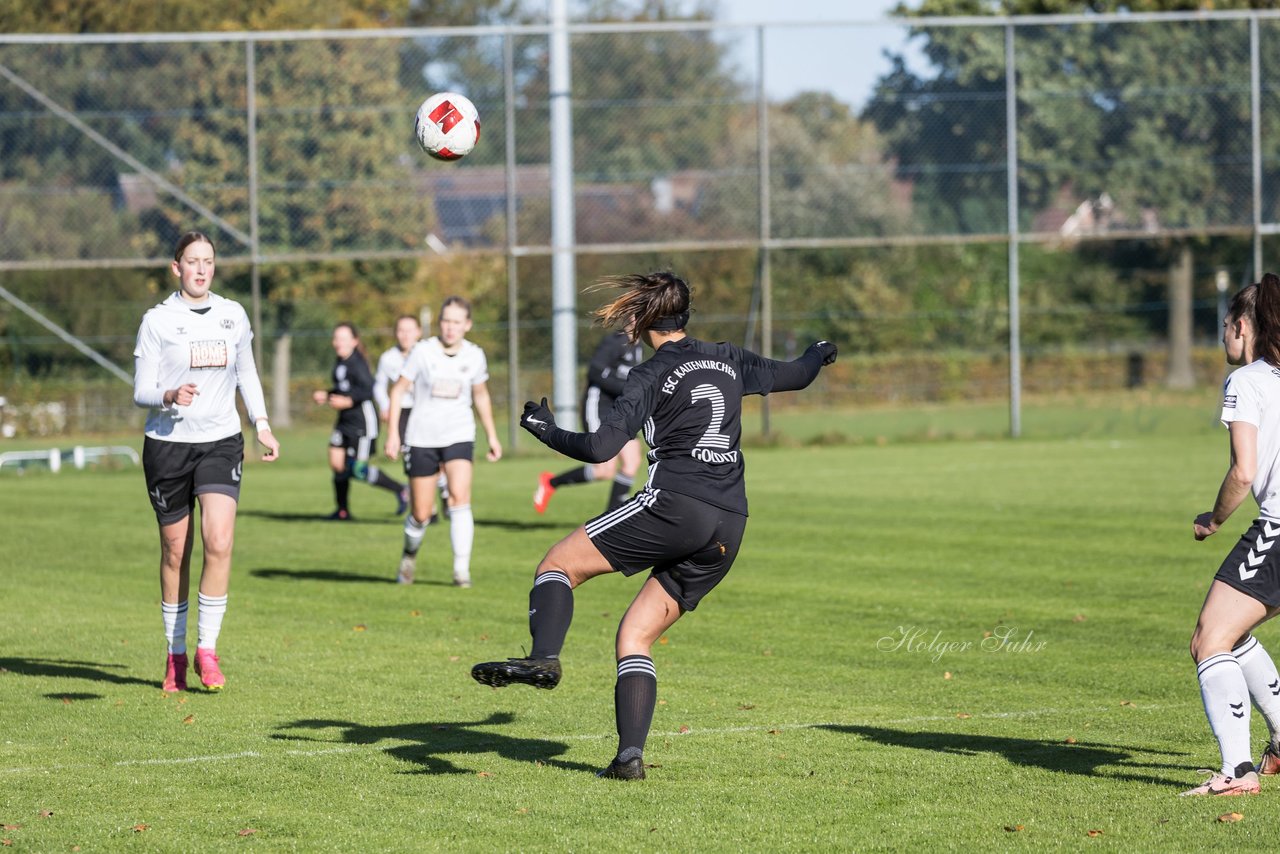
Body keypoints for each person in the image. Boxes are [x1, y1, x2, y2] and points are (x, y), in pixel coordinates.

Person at [470, 271, 837, 780]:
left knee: (558, 565)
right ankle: (628, 760)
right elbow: (797, 374)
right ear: (684, 316)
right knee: (635, 635)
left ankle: (544, 658)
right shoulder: (727, 357)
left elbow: (600, 449)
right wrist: (819, 351)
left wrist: (545, 429)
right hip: (730, 523)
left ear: (644, 320)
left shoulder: (648, 375)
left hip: (676, 504)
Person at [133, 231, 281, 692]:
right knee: (176, 551)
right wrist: (169, 394)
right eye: (193, 261)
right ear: (176, 267)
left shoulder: (232, 314)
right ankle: (175, 653)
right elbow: (140, 390)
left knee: (219, 540)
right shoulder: (157, 321)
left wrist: (261, 423)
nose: (201, 269)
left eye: (209, 261)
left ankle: (207, 651)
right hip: (168, 446)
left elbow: (246, 372)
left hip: (221, 441)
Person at [1183, 273, 1280, 797]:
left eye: (1224, 325)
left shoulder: (1246, 381)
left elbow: (1243, 473)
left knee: (1209, 640)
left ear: (1243, 326)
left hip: (1278, 530)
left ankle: (1238, 772)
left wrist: (1213, 520)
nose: (1222, 334)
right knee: (1234, 634)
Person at [385, 296, 503, 587]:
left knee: (459, 497)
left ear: (467, 325)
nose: (450, 327)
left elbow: (480, 395)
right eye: (446, 321)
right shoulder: (422, 352)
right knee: (421, 513)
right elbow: (398, 391)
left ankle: (461, 571)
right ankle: (409, 555)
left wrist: (492, 435)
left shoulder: (474, 355)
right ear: (439, 323)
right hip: (421, 437)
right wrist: (393, 434)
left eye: (456, 322)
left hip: (459, 434)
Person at [533, 329, 644, 514]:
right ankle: (550, 483)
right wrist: (625, 389)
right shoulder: (616, 341)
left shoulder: (640, 343)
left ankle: (612, 517)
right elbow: (595, 371)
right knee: (604, 470)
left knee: (632, 462)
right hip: (599, 406)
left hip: (619, 409)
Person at [312, 322, 408, 520]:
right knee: (337, 465)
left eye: (343, 339)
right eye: (336, 338)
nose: (338, 342)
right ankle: (342, 511)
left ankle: (401, 489)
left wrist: (348, 401)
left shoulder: (357, 363)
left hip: (363, 423)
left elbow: (368, 389)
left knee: (358, 470)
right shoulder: (340, 362)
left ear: (354, 341)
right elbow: (345, 388)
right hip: (344, 422)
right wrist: (328, 394)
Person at [375, 314, 449, 518]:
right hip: (403, 412)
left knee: (437, 458)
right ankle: (428, 509)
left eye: (409, 330)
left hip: (427, 410)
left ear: (418, 332)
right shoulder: (388, 358)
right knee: (414, 460)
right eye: (401, 330)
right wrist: (385, 406)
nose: (405, 335)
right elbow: (379, 386)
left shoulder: (429, 353)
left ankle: (445, 492)